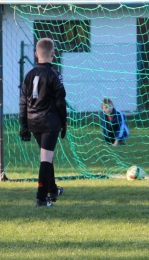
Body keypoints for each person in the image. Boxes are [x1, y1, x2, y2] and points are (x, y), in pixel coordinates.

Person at [19, 38, 67, 207]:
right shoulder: (55, 74)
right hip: (49, 122)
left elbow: (23, 102)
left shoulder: (29, 75)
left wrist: (24, 126)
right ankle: (41, 198)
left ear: (35, 54)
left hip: (34, 122)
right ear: (53, 54)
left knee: (47, 155)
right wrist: (64, 123)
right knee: (46, 158)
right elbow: (61, 102)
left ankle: (52, 190)